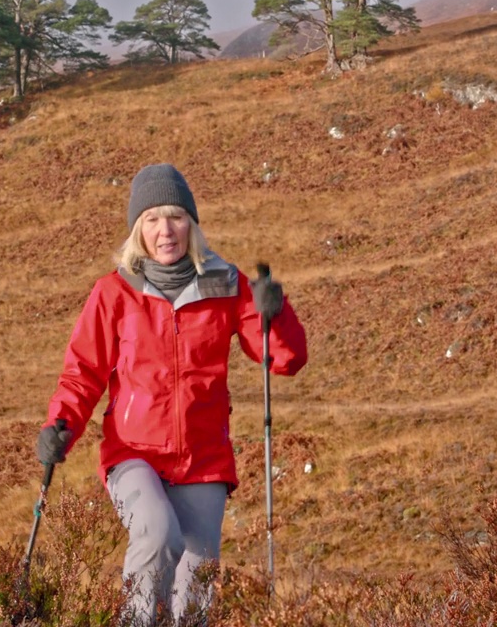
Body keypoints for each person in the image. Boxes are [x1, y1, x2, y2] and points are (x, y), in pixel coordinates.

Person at [36, 163, 308, 625]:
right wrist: (60, 426)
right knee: (158, 533)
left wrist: (274, 313)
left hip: (204, 460)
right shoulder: (114, 293)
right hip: (131, 454)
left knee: (195, 593)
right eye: (153, 219)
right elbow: (82, 373)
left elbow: (283, 360)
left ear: (192, 224)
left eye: (176, 217)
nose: (166, 230)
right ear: (138, 230)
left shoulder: (226, 283)